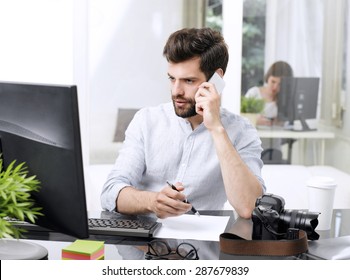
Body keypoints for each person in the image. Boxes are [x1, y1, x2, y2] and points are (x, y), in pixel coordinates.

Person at [101, 28, 265, 219]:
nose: (176, 91)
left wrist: (216, 129)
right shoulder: (147, 121)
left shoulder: (241, 131)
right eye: (172, 79)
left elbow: (249, 207)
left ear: (216, 80)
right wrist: (152, 201)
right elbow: (110, 192)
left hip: (204, 245)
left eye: (188, 80)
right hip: (144, 244)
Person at [245, 61, 293, 126]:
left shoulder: (285, 99)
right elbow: (241, 118)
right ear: (268, 78)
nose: (275, 87)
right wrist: (255, 120)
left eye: (280, 84)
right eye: (273, 82)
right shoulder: (254, 93)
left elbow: (288, 122)